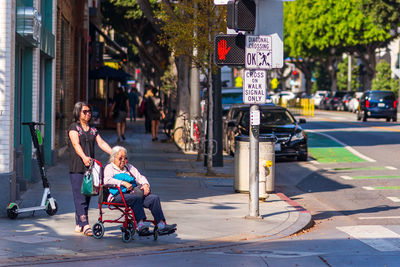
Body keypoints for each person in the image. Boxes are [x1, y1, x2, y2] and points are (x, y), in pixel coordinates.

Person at [103, 146, 177, 235]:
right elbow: (107, 181)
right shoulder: (109, 168)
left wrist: (146, 185)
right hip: (117, 195)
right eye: (120, 158)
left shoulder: (129, 167)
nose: (123, 160)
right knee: (136, 198)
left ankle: (161, 225)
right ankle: (140, 225)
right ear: (113, 158)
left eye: (125, 158)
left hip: (132, 193)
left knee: (154, 198)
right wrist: (123, 182)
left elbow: (140, 177)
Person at [68, 102, 112, 236]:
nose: (88, 114)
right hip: (77, 166)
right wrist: (83, 157)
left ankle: (79, 222)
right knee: (79, 196)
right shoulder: (74, 128)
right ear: (78, 113)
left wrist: (114, 153)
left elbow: (101, 143)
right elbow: (76, 144)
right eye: (85, 111)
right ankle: (85, 224)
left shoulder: (93, 130)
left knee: (87, 194)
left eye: (89, 111)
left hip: (90, 168)